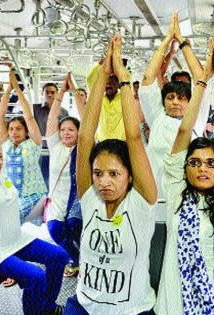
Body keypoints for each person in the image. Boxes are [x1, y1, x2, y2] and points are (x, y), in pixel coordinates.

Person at [0, 66, 68, 315]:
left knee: (59, 257)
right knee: (36, 278)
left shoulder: (1, 173)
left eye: (0, 157)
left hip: (17, 240)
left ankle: (46, 306)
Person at [66, 36, 157, 315]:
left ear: (130, 177)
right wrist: (102, 75)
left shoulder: (142, 203)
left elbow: (134, 137)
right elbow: (85, 136)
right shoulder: (90, 198)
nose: (104, 181)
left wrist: (124, 77)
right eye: (98, 174)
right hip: (84, 306)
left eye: (114, 174)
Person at [155, 39, 214, 315]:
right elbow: (184, 133)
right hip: (175, 305)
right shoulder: (176, 194)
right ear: (185, 168)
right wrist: (202, 83)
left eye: (211, 163)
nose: (202, 169)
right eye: (194, 162)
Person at [138, 12, 211, 201]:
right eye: (170, 97)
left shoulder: (196, 119)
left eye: (181, 98)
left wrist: (183, 42)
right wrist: (167, 41)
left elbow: (201, 78)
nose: (175, 102)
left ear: (189, 102)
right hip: (156, 200)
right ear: (163, 101)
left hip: (189, 200)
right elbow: (147, 79)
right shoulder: (157, 117)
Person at [0, 70, 48, 224]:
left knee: (11, 217)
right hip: (11, 195)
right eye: (11, 128)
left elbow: (29, 116)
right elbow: (0, 115)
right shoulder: (6, 144)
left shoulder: (33, 143)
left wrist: (17, 88)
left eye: (18, 128)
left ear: (26, 131)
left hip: (33, 195)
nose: (14, 132)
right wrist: (8, 89)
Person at [45, 72, 83, 278]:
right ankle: (75, 257)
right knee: (54, 229)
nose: (66, 133)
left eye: (71, 129)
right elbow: (52, 118)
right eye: (63, 129)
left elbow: (86, 118)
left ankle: (82, 258)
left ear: (79, 132)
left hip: (78, 196)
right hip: (58, 196)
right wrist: (61, 92)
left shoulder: (84, 148)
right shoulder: (55, 146)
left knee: (73, 224)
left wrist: (75, 90)